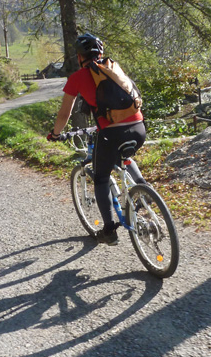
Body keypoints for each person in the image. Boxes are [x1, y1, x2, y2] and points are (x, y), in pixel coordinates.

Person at [48, 33, 146, 245]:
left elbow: (64, 114)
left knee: (101, 178)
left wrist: (55, 134)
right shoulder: (113, 67)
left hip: (112, 133)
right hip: (139, 127)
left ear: (79, 56)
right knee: (124, 156)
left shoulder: (77, 77)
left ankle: (109, 231)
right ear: (100, 53)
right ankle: (144, 189)